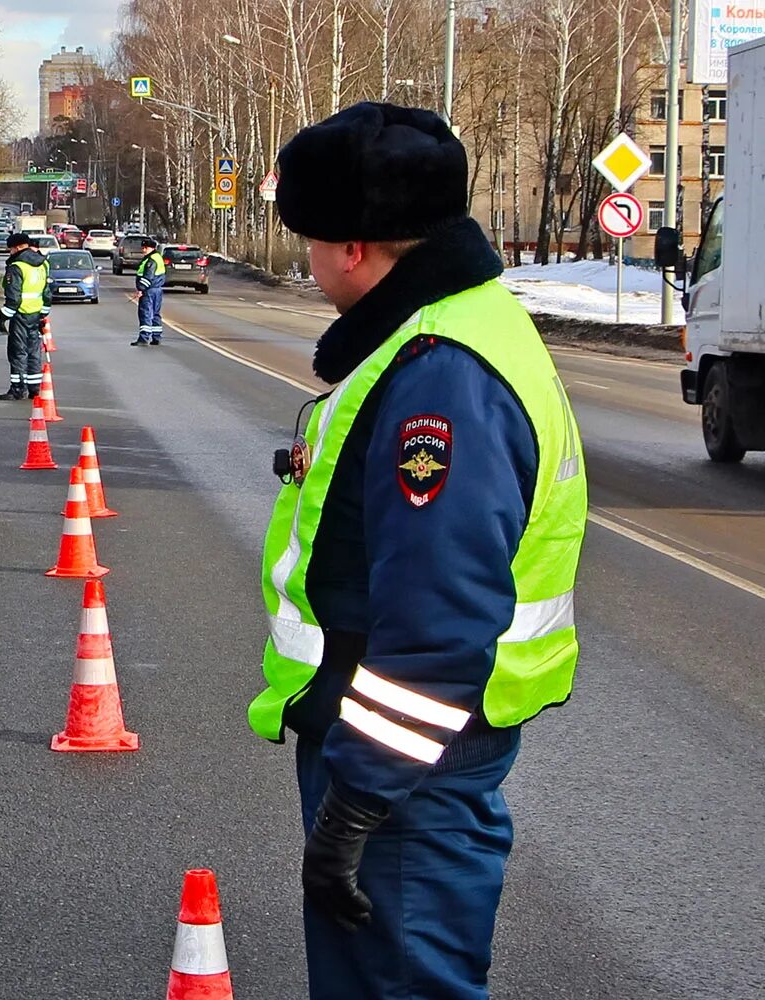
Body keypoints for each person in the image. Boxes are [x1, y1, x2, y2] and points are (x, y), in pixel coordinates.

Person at [247, 102, 587, 999]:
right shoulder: (449, 324)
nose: (309, 265)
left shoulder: (441, 371)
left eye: (311, 242)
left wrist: (359, 802)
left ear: (354, 248)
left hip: (404, 774)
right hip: (407, 757)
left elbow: (439, 622)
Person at [0, 232, 47, 400]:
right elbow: (47, 293)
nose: (10, 252)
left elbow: (14, 298)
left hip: (20, 315)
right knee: (34, 352)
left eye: (10, 249)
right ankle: (34, 388)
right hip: (35, 314)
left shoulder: (17, 266)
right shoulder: (42, 264)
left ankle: (17, 389)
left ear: (16, 247)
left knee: (17, 352)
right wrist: (43, 315)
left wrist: (2, 318)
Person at [131, 237, 166, 346]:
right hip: (157, 290)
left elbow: (147, 277)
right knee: (155, 314)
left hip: (149, 291)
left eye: (145, 247)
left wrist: (141, 289)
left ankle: (144, 338)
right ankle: (156, 337)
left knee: (145, 313)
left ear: (151, 248)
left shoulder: (151, 260)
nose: (143, 249)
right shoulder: (157, 257)